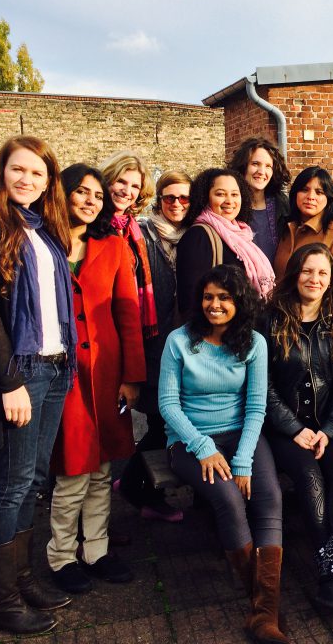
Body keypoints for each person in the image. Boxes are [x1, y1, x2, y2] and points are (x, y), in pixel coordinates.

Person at [0, 136, 75, 634]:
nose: (27, 180)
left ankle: (23, 579)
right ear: (1, 172)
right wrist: (10, 382)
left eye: (37, 173)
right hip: (20, 372)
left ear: (48, 182)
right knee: (9, 485)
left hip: (53, 367)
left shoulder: (45, 231)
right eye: (18, 170)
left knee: (33, 480)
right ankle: (0, 603)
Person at [160, 265, 288, 644]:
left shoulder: (253, 343)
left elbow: (255, 407)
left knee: (269, 496)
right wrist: (203, 448)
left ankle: (263, 614)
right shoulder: (179, 340)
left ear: (239, 302)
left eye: (225, 298)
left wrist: (243, 459)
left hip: (241, 434)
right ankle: (265, 607)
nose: (214, 305)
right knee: (230, 499)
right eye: (208, 297)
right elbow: (168, 404)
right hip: (187, 439)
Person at [48, 164, 145, 593]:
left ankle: (97, 550)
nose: (90, 201)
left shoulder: (112, 246)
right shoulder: (42, 245)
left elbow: (128, 313)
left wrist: (132, 376)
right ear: (63, 195)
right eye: (81, 193)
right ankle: (61, 556)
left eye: (96, 196)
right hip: (62, 376)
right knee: (72, 469)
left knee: (103, 468)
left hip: (106, 374)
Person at [263, 244, 333, 614]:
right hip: (284, 429)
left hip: (330, 426)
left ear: (330, 279)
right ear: (294, 274)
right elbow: (263, 386)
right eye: (307, 271)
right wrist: (293, 428)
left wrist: (330, 429)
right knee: (310, 481)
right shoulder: (270, 318)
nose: (315, 279)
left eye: (322, 273)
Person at [115, 171, 192, 522]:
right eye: (169, 198)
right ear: (159, 200)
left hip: (185, 350)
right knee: (161, 423)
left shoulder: (195, 236)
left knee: (166, 423)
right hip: (152, 347)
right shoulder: (141, 235)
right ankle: (136, 487)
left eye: (184, 198)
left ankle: (133, 481)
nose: (177, 205)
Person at [176, 168, 275, 314]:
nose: (229, 201)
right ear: (205, 198)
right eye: (220, 194)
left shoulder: (242, 235)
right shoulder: (198, 236)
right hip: (219, 333)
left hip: (246, 329)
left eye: (235, 194)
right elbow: (191, 300)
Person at [273, 166, 333, 300]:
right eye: (304, 190)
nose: (310, 197)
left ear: (328, 197)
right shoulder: (286, 229)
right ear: (295, 194)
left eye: (319, 192)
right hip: (281, 314)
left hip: (319, 317)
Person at [100, 151, 159, 340]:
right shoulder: (93, 224)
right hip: (102, 323)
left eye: (135, 186)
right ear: (107, 180)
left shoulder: (133, 231)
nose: (127, 191)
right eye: (121, 181)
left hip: (130, 322)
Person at [228, 137, 292, 263]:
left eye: (268, 166)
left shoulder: (282, 204)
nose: (261, 172)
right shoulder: (230, 205)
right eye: (255, 164)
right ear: (243, 166)